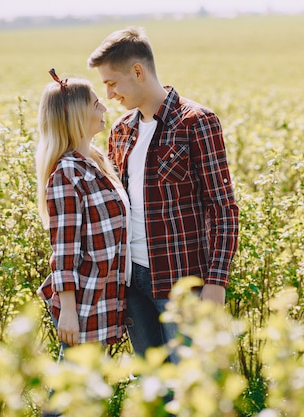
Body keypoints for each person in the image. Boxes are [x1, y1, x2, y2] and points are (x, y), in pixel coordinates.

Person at [87, 27, 239, 361]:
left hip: (182, 280)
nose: (109, 94)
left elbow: (223, 207)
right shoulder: (121, 130)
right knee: (155, 385)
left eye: (112, 83)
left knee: (191, 385)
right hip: (132, 281)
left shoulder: (195, 122)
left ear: (138, 72)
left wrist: (216, 283)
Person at [36, 68, 131, 351]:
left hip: (104, 294)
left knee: (87, 387)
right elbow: (64, 249)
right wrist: (68, 311)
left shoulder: (96, 161)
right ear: (77, 115)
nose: (103, 106)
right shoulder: (68, 173)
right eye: (94, 103)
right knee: (74, 388)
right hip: (83, 301)